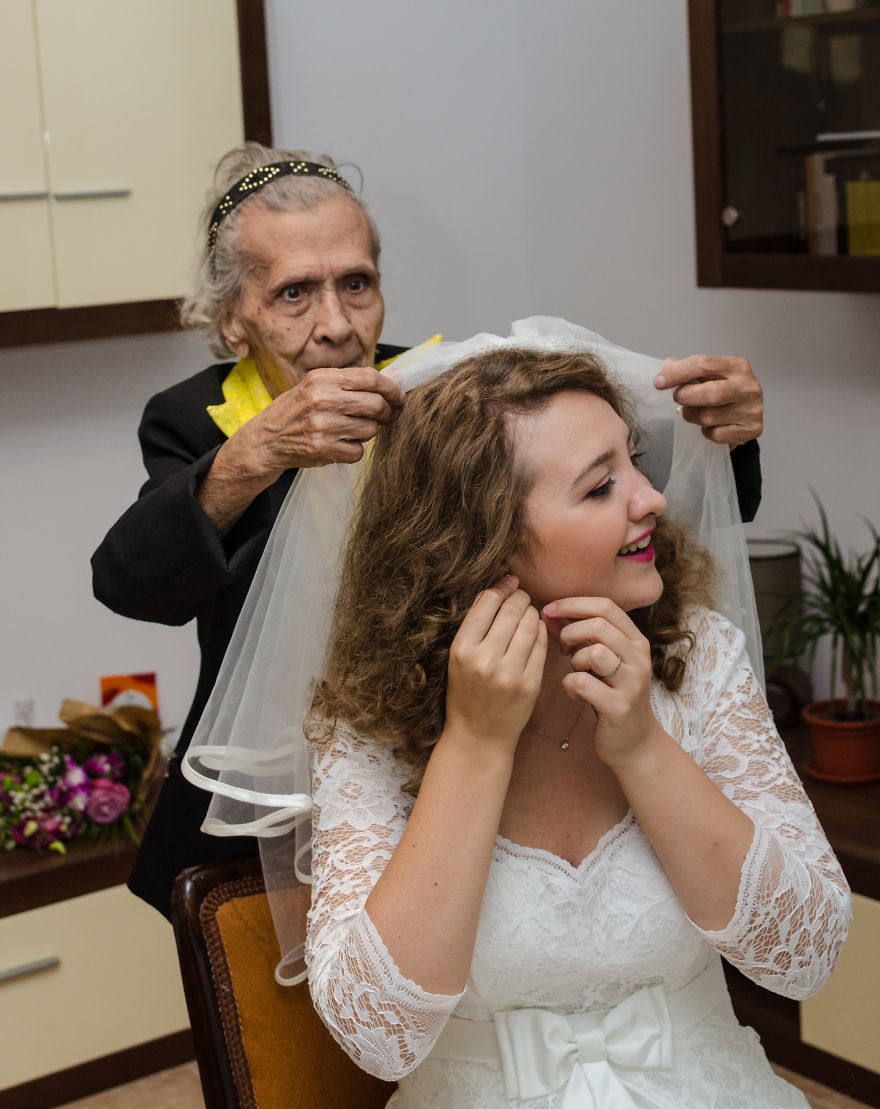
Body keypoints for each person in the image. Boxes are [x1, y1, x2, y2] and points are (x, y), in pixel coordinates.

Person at [93, 140, 763, 922]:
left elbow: (628, 509)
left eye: (356, 284)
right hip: (264, 805)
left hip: (427, 779)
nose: (337, 325)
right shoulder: (189, 420)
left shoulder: (445, 391)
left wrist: (730, 433)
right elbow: (130, 582)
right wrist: (257, 452)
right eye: (294, 295)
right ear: (234, 318)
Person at [182, 322, 849, 1107]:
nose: (652, 499)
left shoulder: (698, 657)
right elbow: (379, 1031)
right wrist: (474, 745)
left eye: (633, 462)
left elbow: (805, 953)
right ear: (483, 543)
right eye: (600, 485)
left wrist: (641, 746)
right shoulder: (366, 717)